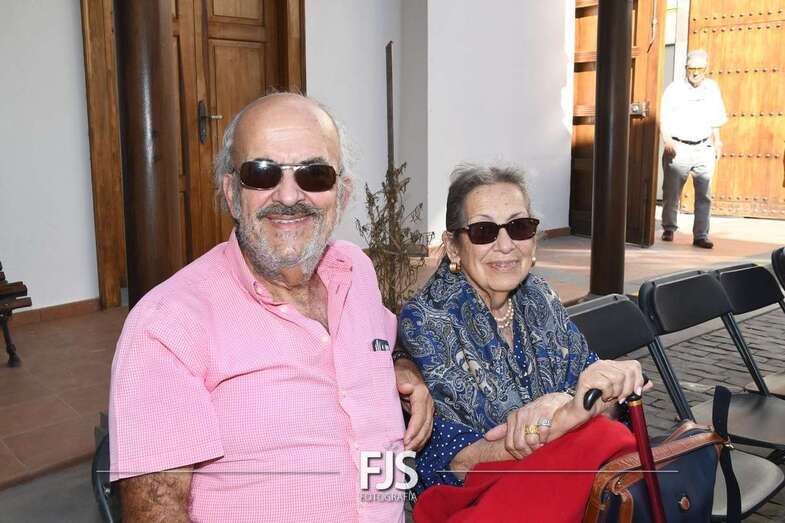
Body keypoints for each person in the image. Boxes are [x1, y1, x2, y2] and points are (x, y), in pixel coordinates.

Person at [109, 93, 434, 522]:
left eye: (314, 174)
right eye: (262, 173)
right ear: (231, 192)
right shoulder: (167, 324)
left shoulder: (355, 270)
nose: (289, 195)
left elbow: (383, 343)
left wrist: (402, 367)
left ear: (342, 194)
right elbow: (155, 515)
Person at [398, 164, 648, 520]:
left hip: (580, 489)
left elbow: (599, 394)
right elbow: (458, 459)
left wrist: (592, 393)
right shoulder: (426, 320)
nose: (505, 246)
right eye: (483, 231)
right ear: (453, 247)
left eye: (519, 227)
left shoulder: (539, 297)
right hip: (488, 502)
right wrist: (566, 417)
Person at [660, 49, 728, 249]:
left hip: (703, 147)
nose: (696, 73)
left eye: (700, 68)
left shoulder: (712, 88)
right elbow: (663, 117)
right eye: (692, 68)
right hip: (679, 146)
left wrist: (717, 141)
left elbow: (716, 117)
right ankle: (669, 228)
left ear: (706, 68)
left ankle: (701, 235)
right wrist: (667, 140)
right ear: (685, 68)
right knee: (671, 191)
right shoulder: (674, 89)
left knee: (704, 193)